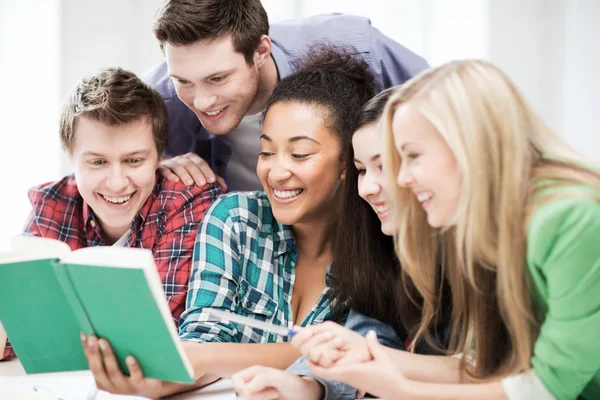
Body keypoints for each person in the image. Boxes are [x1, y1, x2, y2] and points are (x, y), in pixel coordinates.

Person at [288, 60, 600, 400]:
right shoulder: (482, 228)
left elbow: (547, 388)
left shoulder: (570, 220)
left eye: (412, 156)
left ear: (468, 145)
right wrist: (366, 354)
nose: (403, 178)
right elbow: (484, 365)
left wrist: (402, 391)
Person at [79, 47, 379, 398]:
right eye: (267, 151)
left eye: (299, 154)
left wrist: (208, 358)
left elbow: (360, 354)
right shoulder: (234, 219)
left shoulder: (378, 247)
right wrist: (160, 379)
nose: (277, 172)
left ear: (349, 160)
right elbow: (202, 339)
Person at [232, 89, 451, 400]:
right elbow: (371, 334)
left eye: (385, 166)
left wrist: (395, 381)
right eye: (362, 170)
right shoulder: (388, 250)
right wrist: (305, 386)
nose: (368, 188)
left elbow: (493, 374)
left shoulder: (486, 256)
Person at [0, 67, 222, 361]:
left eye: (133, 160)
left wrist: (47, 323)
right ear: (70, 159)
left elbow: (154, 333)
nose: (117, 182)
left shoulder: (185, 201)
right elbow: (16, 328)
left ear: (160, 156)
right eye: (97, 162)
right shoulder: (51, 202)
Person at [146, 0, 429, 191]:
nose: (202, 101)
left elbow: (449, 117)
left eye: (217, 79)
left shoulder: (357, 48)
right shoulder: (159, 98)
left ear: (260, 52)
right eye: (183, 81)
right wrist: (151, 165)